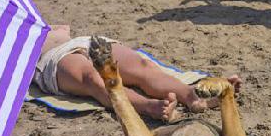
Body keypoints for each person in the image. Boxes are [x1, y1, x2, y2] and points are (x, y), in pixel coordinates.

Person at [33, 25, 242, 122]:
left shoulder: (32, 17)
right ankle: (150, 107)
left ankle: (193, 97)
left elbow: (65, 28)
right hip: (52, 58)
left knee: (142, 66)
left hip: (83, 41)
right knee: (93, 79)